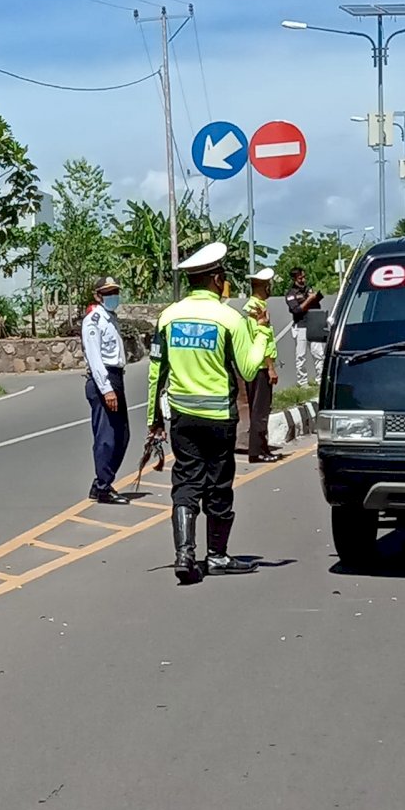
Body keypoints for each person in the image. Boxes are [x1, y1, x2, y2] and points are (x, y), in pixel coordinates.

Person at [147, 242, 272, 583]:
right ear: (217, 280)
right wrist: (261, 329)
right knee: (218, 486)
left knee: (186, 482)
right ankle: (216, 555)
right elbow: (248, 370)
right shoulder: (230, 318)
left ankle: (184, 555)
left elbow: (156, 372)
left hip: (183, 418)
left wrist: (153, 421)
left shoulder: (168, 316)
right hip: (219, 419)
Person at [82, 276, 130, 504]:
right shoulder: (94, 320)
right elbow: (94, 358)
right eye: (108, 292)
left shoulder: (111, 318)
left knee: (122, 435)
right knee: (107, 438)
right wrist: (107, 389)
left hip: (115, 377)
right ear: (98, 295)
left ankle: (101, 481)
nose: (113, 296)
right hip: (104, 380)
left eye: (115, 292)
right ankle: (103, 486)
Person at [243, 267, 279, 463]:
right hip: (260, 367)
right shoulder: (257, 309)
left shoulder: (254, 306)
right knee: (260, 411)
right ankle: (257, 451)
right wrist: (270, 367)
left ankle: (262, 448)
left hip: (256, 365)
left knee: (259, 410)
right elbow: (261, 340)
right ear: (264, 286)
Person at [286, 266, 324, 387]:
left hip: (313, 323)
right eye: (300, 278)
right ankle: (302, 382)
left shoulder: (309, 289)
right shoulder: (291, 294)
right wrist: (309, 300)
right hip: (301, 325)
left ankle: (320, 380)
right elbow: (296, 310)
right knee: (301, 355)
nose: (303, 280)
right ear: (294, 279)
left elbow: (317, 305)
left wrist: (315, 298)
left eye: (303, 277)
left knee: (318, 353)